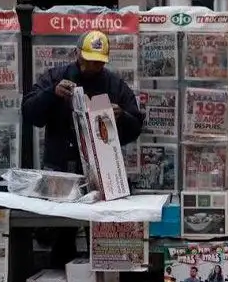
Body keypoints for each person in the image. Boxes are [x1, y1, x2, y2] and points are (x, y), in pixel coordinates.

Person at [21, 30, 144, 266]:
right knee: (60, 237)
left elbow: (135, 127)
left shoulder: (114, 84)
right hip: (61, 169)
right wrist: (51, 94)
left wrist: (122, 117)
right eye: (88, 60)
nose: (91, 66)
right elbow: (30, 113)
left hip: (103, 173)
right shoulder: (56, 76)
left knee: (102, 236)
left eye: (98, 62)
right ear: (77, 54)